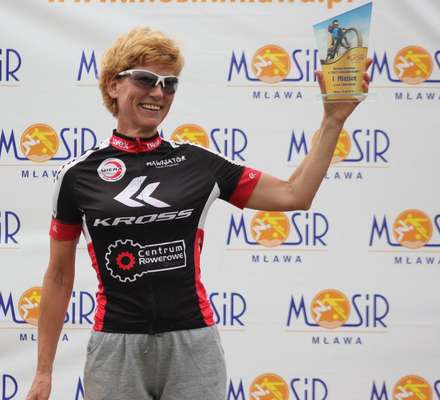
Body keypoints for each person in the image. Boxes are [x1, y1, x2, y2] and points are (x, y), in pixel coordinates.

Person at [26, 27, 371, 400]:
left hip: (192, 344)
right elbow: (59, 276)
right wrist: (43, 372)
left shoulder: (198, 163)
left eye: (169, 84)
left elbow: (294, 194)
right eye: (146, 79)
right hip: (115, 346)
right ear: (113, 85)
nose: (158, 93)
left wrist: (333, 120)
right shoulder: (77, 175)